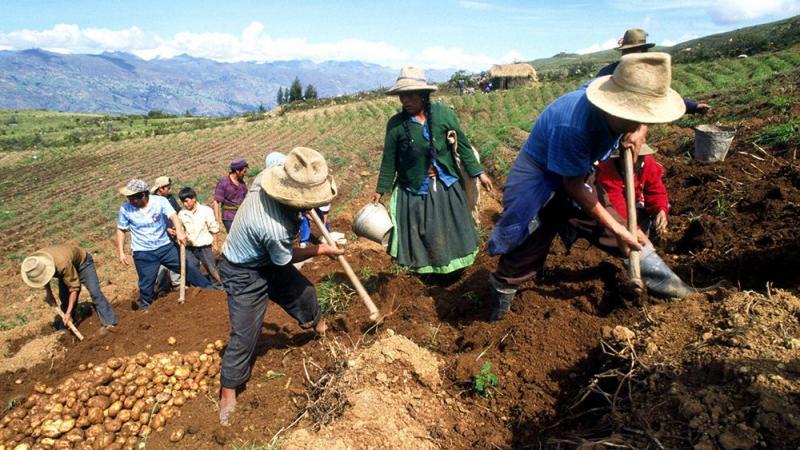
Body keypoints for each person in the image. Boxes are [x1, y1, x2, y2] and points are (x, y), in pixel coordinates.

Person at [486, 53, 689, 321]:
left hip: (580, 168)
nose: (641, 121)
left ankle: (670, 287)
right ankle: (499, 309)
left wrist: (639, 130)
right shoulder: (572, 124)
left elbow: (582, 177)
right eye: (637, 116)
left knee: (623, 228)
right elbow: (571, 185)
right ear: (616, 107)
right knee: (531, 233)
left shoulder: (625, 113)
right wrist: (617, 229)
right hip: (540, 172)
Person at [217, 147, 341, 426]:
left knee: (305, 292)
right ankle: (228, 390)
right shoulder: (272, 226)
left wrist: (305, 204)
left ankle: (320, 329)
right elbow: (286, 258)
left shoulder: (268, 176)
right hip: (243, 270)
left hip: (267, 259)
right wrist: (321, 249)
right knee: (245, 334)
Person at [373, 66, 493, 279]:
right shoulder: (396, 126)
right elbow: (388, 161)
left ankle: (456, 270)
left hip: (446, 185)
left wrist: (479, 173)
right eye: (402, 96)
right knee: (424, 233)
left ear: (423, 94)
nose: (405, 101)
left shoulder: (443, 114)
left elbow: (464, 146)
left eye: (410, 95)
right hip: (415, 188)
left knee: (453, 228)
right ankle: (427, 272)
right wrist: (380, 190)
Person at [116, 179, 214, 311]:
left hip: (165, 247)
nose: (131, 200)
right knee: (146, 282)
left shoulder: (159, 201)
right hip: (143, 252)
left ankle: (210, 290)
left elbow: (173, 216)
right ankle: (147, 308)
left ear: (144, 195)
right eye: (129, 197)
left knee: (187, 267)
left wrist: (179, 231)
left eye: (133, 197)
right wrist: (121, 251)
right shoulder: (125, 209)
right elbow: (121, 229)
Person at [596, 28, 710, 114]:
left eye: (638, 51)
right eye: (629, 51)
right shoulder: (608, 72)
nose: (633, 55)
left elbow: (663, 94)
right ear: (624, 53)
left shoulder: (648, 74)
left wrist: (693, 107)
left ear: (644, 52)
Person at [21, 244, 118, 329]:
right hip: (66, 265)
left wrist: (68, 312)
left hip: (83, 264)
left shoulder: (62, 264)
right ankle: (66, 328)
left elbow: (74, 288)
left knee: (95, 292)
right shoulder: (35, 262)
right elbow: (43, 278)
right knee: (64, 299)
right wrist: (49, 293)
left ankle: (109, 322)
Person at [595, 144, 669, 237]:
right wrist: (635, 232)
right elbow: (616, 206)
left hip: (634, 204)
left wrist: (660, 209)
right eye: (633, 158)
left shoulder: (648, 164)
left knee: (645, 217)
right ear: (620, 158)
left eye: (640, 158)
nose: (636, 162)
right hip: (610, 211)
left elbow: (656, 190)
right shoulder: (607, 172)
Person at [178, 187, 222, 284]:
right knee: (191, 267)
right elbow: (180, 228)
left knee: (211, 268)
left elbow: (214, 228)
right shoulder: (182, 214)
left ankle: (218, 286)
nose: (185, 204)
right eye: (183, 202)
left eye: (186, 201)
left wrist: (215, 244)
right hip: (190, 247)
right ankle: (197, 286)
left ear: (194, 198)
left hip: (204, 246)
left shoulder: (206, 211)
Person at [213, 159, 249, 232]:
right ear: (237, 171)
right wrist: (217, 219)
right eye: (244, 171)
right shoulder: (223, 182)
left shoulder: (242, 183)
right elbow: (216, 201)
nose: (245, 174)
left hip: (242, 215)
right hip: (229, 217)